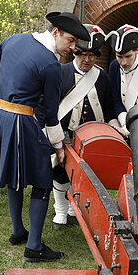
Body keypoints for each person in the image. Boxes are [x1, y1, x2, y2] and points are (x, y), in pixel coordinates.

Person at [0, 11, 90, 261]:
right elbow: (50, 113)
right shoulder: (51, 65)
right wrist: (59, 145)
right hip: (20, 122)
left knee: (14, 175)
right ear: (55, 32)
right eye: (70, 40)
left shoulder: (14, 39)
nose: (72, 48)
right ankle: (34, 246)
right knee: (42, 178)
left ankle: (18, 232)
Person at [51, 24, 113, 229]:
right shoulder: (61, 73)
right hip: (65, 133)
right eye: (83, 55)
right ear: (74, 53)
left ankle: (73, 206)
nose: (87, 60)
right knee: (60, 173)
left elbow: (108, 107)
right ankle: (60, 210)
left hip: (91, 136)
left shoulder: (102, 77)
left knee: (84, 174)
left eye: (91, 55)